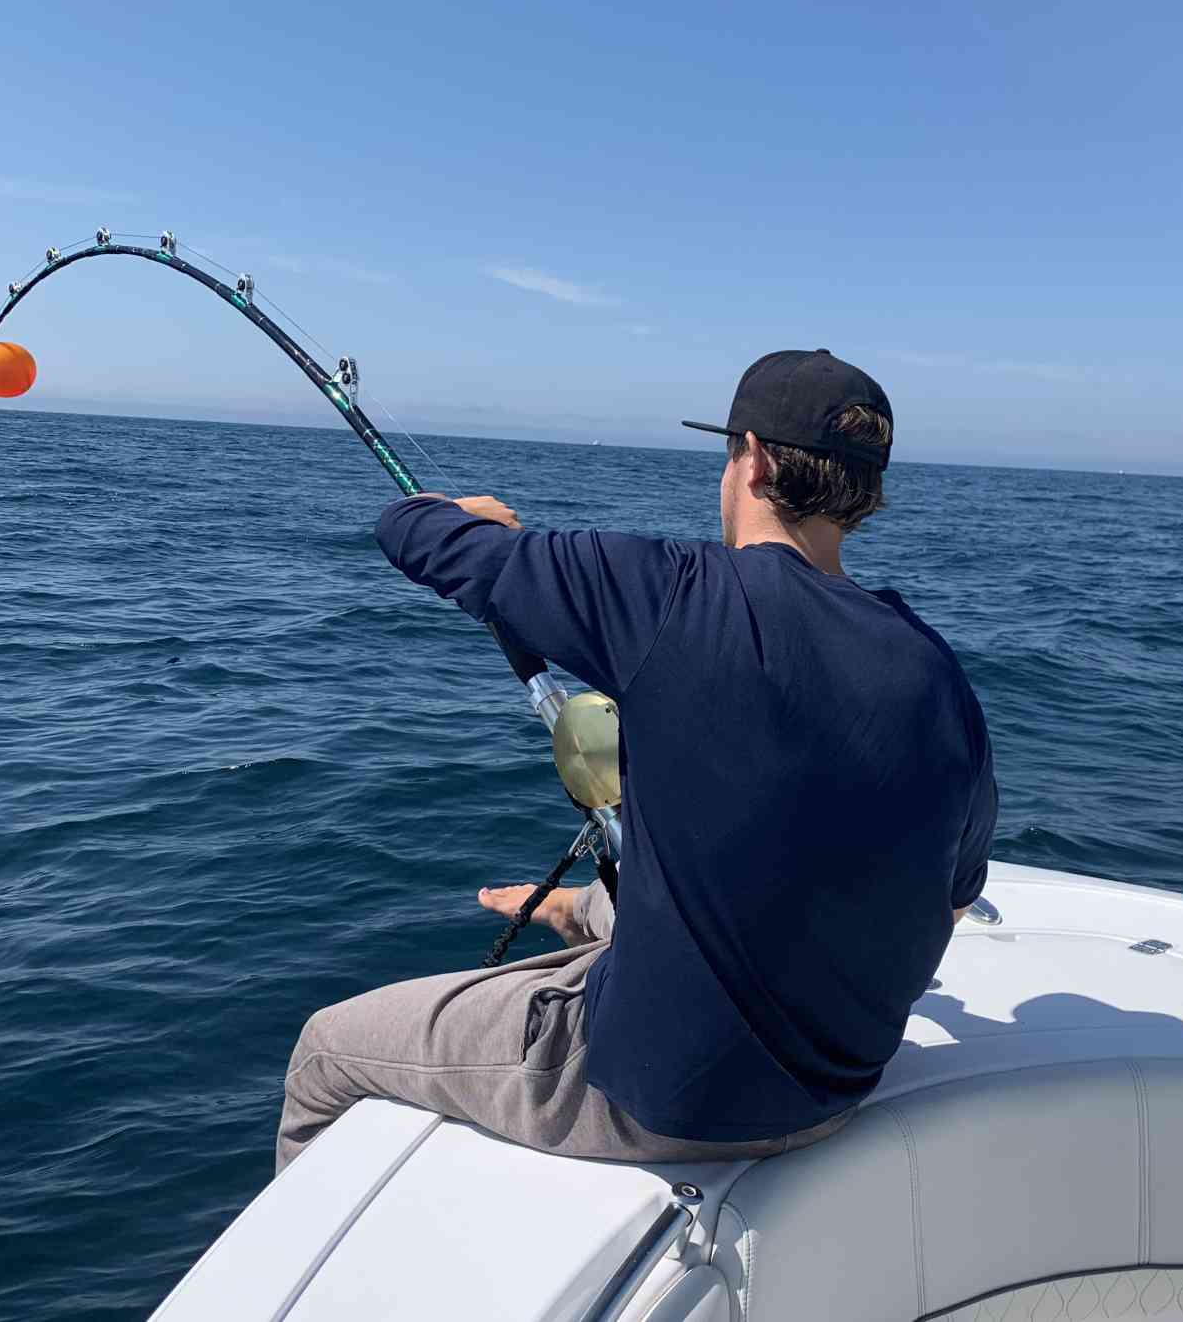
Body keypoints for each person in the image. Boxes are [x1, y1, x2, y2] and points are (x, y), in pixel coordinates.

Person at [275, 348, 998, 1172]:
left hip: (659, 1100)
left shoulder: (675, 595)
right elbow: (950, 902)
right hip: (841, 1091)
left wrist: (469, 518)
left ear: (752, 458)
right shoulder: (939, 675)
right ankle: (583, 912)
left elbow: (413, 536)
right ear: (862, 489)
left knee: (326, 1051)